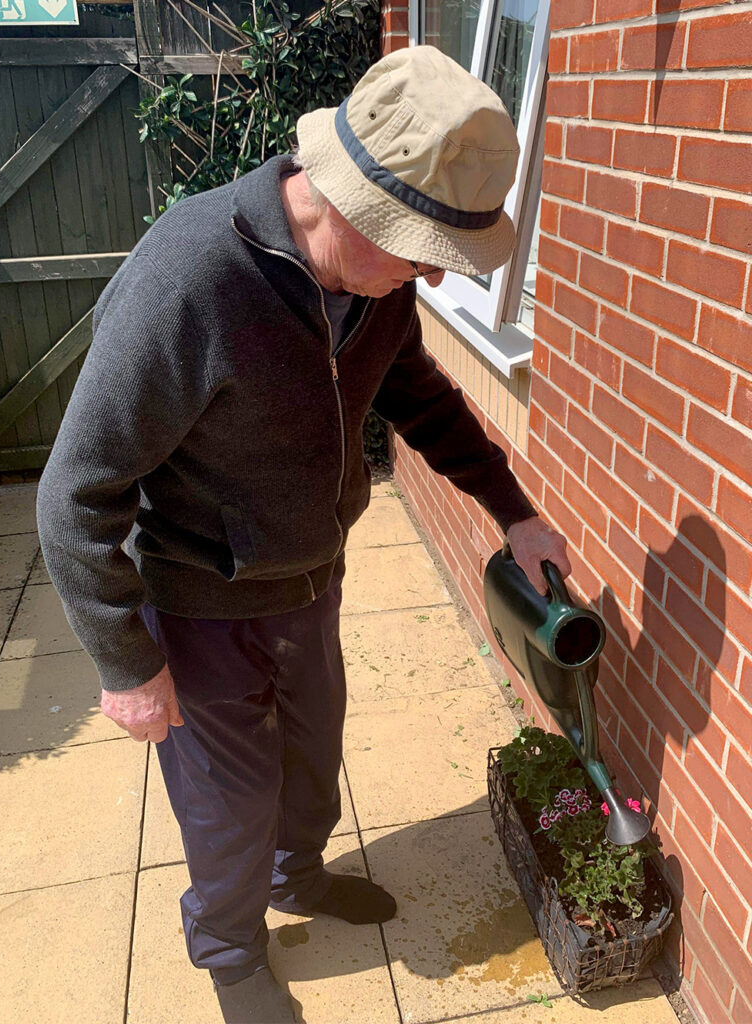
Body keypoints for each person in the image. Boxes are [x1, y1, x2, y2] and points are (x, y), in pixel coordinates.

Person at [37, 45, 570, 1023]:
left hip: (312, 579)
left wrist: (514, 508)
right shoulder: (193, 278)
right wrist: (124, 662)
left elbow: (423, 398)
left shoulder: (377, 289)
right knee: (228, 803)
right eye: (423, 252)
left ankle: (298, 875)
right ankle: (231, 951)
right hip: (200, 603)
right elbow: (75, 491)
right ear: (351, 207)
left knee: (314, 763)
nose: (433, 278)